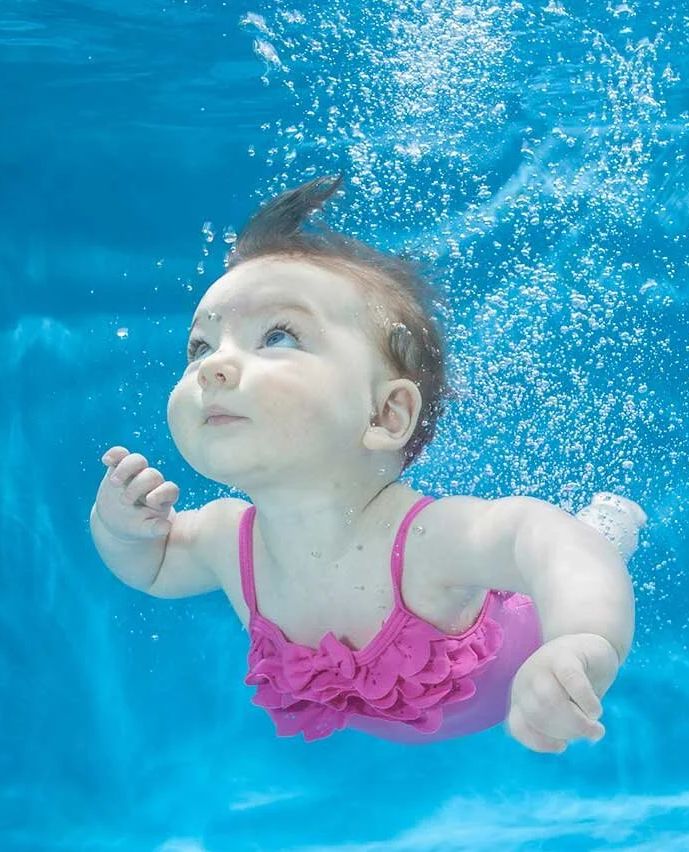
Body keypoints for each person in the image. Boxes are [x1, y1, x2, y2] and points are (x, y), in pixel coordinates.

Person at [90, 175, 646, 753]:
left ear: (384, 414)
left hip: (522, 648)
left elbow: (548, 543)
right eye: (201, 346)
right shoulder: (227, 540)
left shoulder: (428, 540)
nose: (213, 367)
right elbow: (153, 567)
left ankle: (607, 524)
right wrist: (121, 528)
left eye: (278, 337)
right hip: (432, 719)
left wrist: (581, 641)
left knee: (585, 542)